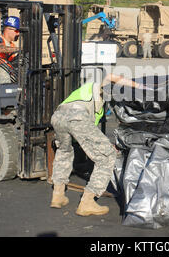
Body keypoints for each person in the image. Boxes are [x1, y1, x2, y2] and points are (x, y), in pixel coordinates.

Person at [50, 73, 142, 217]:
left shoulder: (87, 97)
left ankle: (58, 195)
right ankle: (87, 202)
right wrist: (140, 86)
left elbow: (89, 134)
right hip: (76, 117)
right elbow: (111, 75)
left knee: (64, 152)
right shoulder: (93, 84)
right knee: (107, 157)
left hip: (58, 116)